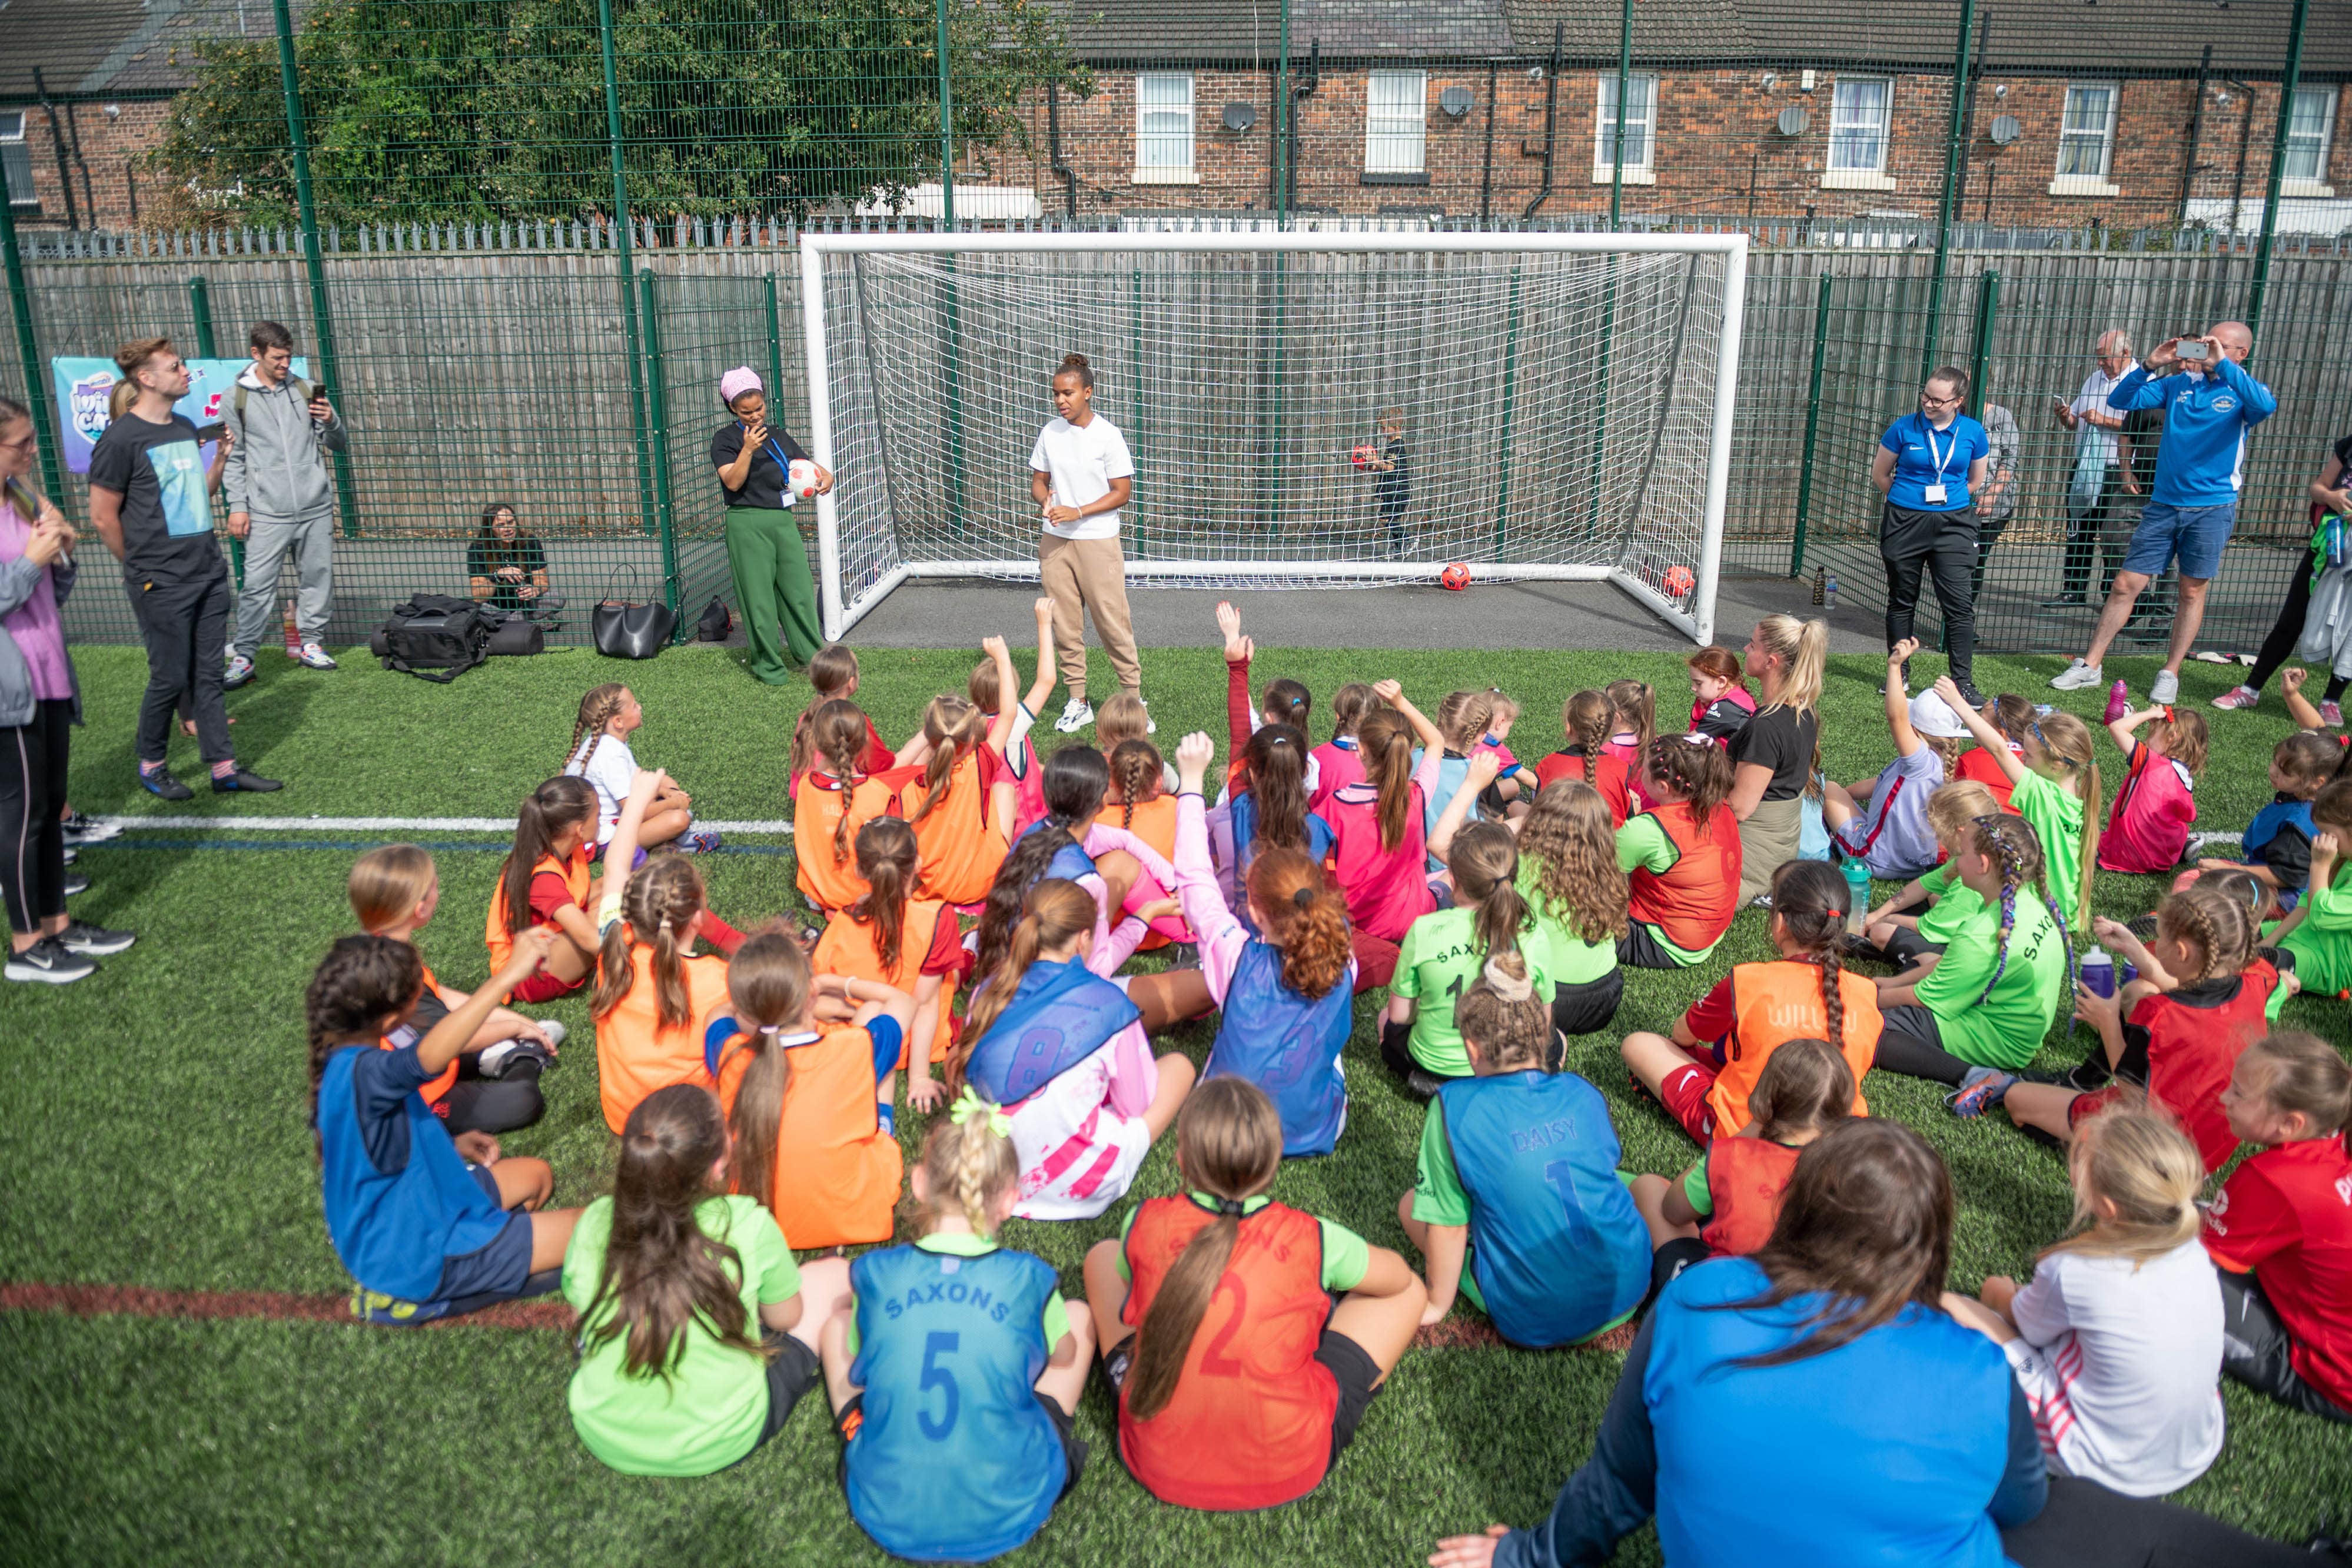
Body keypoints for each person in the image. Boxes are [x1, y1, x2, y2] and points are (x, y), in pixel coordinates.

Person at [1431, 1119, 2042, 1568]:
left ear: (1799, 1207)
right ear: (1930, 1243)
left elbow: (1620, 1480)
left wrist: (1529, 1556)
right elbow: (2021, 1505)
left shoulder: (1702, 1295)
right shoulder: (1979, 1369)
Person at [1082, 1078, 1426, 1511]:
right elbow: (1396, 1280)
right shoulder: (1312, 1236)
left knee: (1102, 1256)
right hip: (1292, 1462)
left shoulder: (1145, 1221)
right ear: (1272, 1160)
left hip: (1155, 1459)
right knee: (1410, 1292)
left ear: (1182, 1156)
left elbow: (1126, 1279)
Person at [821, 1098, 1095, 1562]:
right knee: (1079, 1319)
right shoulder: (1030, 1278)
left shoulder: (876, 1273)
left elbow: (861, 1362)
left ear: (921, 1183)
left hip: (888, 1504)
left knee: (836, 1325)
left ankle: (856, 1424)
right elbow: (1065, 1358)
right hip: (1013, 1503)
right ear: (1011, 1198)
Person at [561, 1083, 848, 1476]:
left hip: (604, 1432)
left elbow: (580, 1305)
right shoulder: (746, 1222)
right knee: (835, 1276)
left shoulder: (594, 1221)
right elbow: (784, 1318)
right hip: (726, 1434)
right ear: (718, 1166)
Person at [1944, 1104, 2225, 1497]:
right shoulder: (2194, 1252)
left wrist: (1997, 1294)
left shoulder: (2074, 1269)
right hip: (2193, 1446)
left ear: (2108, 1206)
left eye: (2082, 1162)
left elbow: (2022, 1325)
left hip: (2098, 1460)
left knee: (1958, 1307)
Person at [306, 929, 581, 1324]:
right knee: (599, 1230)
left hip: (416, 1209)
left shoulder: (342, 1057)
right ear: (388, 1017)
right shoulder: (367, 1073)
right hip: (419, 1249)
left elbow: (375, 1150)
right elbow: (428, 1058)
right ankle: (436, 1291)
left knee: (536, 1176)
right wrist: (509, 975)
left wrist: (449, 1147)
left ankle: (491, 1261)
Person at [1402, 952, 1650, 1348]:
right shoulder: (1582, 1092)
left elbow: (1448, 1228)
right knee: (1645, 1185)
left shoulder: (1454, 1108)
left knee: (1412, 1206)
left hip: (1533, 1315)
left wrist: (1436, 1302)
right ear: (1546, 1035)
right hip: (1629, 1287)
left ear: (1472, 1048)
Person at [86, 337, 280, 799]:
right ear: (146, 379)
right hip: (161, 581)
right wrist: (140, 566)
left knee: (208, 674)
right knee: (170, 678)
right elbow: (101, 516)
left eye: (183, 364)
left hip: (207, 573)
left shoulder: (184, 426)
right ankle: (152, 765)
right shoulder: (120, 440)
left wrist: (219, 462)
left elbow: (197, 495)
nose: (185, 371)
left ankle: (223, 769)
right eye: (175, 367)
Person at [1964, 885, 2273, 1168]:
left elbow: (2131, 1093)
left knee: (2018, 1101)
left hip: (2154, 1141)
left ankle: (2113, 1160)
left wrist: (2108, 1020)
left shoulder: (2159, 1015)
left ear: (2181, 952)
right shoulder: (2254, 985)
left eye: (2160, 937)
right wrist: (2134, 950)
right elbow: (2183, 991)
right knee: (2137, 991)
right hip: (2208, 1144)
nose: (2155, 943)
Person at [2051, 322, 2277, 706]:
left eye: (2217, 345)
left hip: (2212, 508)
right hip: (2163, 504)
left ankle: (2170, 672)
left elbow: (2266, 406)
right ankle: (2090, 665)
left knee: (2191, 590)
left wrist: (2222, 365)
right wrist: (2150, 364)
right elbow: (2123, 399)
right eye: (2204, 342)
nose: (2204, 348)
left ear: (2240, 353)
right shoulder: (2176, 385)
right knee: (2125, 584)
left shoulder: (2241, 390)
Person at [955, 878, 1195, 1221]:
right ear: (1084, 939)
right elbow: (1136, 1105)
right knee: (1179, 1066)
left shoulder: (988, 992)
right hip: (1079, 1183)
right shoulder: (1110, 1002)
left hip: (990, 1168)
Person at [1168, 732, 1354, 1157]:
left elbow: (1195, 876)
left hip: (1222, 1132)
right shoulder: (1343, 955)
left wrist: (1191, 782)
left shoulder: (1234, 954)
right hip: (1314, 1133)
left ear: (1253, 912)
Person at [2, 397, 130, 984]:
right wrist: (32, 561)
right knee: (22, 819)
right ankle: (25, 947)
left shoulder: (21, 499)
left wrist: (63, 558)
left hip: (48, 674)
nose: (33, 451)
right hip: (10, 689)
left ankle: (58, 925)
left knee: (50, 812)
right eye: (21, 444)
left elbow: (46, 595)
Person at [1620, 858, 1878, 1144]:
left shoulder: (1749, 981)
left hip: (1743, 1135)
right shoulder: (1867, 994)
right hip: (1839, 1145)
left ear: (1780, 923)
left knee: (1640, 1044)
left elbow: (1682, 1035)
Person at [716, 932, 914, 1250]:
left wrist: (763, 1001)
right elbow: (902, 1001)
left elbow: (718, 1015)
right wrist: (834, 983)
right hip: (853, 1213)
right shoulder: (854, 1049)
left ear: (746, 1010)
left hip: (757, 1219)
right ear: (809, 993)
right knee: (877, 1038)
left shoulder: (731, 1053)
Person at [348, 844, 559, 1135]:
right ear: (419, 908)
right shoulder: (388, 971)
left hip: (425, 1058)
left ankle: (503, 1053)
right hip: (415, 1096)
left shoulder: (382, 945)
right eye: (434, 885)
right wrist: (512, 1028)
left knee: (496, 1034)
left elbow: (439, 995)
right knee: (523, 1100)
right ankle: (524, 1057)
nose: (438, 890)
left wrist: (508, 1019)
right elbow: (447, 1039)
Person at [2201, 1031, 2352, 1425]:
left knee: (2162, 1276)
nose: (2224, 1099)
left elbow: (2192, 1260)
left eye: (2239, 1093)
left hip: (2330, 1376)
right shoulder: (2336, 1142)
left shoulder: (2273, 1179)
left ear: (2290, 1124)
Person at [1631, 1035, 1853, 1278]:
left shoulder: (1731, 1158)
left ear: (1766, 1100)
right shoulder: (1851, 1172)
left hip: (1722, 1294)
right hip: (1801, 1302)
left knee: (1649, 1187)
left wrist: (1743, 1136)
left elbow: (1673, 1209)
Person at [1876, 813, 2069, 1089]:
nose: (1955, 860)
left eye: (1963, 852)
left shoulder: (1979, 933)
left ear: (1982, 864)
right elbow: (1959, 964)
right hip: (2017, 1026)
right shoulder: (2023, 902)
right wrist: (1892, 982)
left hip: (1996, 1041)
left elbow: (1923, 1000)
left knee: (1874, 1027)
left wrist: (1872, 996)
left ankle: (1972, 1074)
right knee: (1925, 961)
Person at [1438, 766, 1626, 1040]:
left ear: (1539, 818)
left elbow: (1447, 850)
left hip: (1545, 997)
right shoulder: (1609, 867)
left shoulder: (1519, 863)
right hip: (1604, 998)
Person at [589, 791, 733, 1135]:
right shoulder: (718, 978)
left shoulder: (613, 955)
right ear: (699, 918)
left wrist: (638, 798)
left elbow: (616, 868)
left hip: (625, 1117)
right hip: (691, 1123)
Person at [1385, 819, 1553, 1095]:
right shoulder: (1534, 936)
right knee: (1558, 1040)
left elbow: (1400, 1015)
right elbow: (1542, 1024)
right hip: (1503, 1070)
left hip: (1432, 1070)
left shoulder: (1425, 929)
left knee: (1384, 1019)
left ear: (1453, 880)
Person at [223, 319, 347, 681]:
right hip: (267, 512)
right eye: (277, 358)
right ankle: (245, 656)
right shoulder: (236, 399)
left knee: (317, 577)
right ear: (255, 354)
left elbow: (337, 444)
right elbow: (235, 457)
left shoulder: (307, 390)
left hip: (315, 508)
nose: (285, 364)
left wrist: (333, 420)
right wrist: (238, 507)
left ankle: (311, 643)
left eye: (289, 356)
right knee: (258, 585)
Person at [815, 817, 961, 1113]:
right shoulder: (936, 918)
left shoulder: (842, 921)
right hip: (906, 1038)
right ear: (917, 863)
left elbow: (820, 991)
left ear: (859, 870)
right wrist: (919, 1075)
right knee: (954, 974)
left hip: (851, 1035)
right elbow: (925, 1003)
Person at [1029, 352, 1140, 734]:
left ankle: (1132, 698)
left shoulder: (1108, 436)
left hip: (1098, 543)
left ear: (1088, 392)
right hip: (1055, 544)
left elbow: (1122, 492)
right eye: (1056, 394)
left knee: (1112, 622)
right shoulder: (1049, 433)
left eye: (1069, 393)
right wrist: (1044, 498)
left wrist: (1078, 512)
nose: (1061, 400)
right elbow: (1038, 480)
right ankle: (1078, 701)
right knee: (1065, 625)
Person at [1871, 366, 1990, 705]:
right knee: (1902, 597)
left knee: (1958, 604)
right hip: (1905, 520)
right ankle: (1899, 671)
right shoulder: (1903, 428)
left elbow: (1974, 480)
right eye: (1926, 396)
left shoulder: (1973, 432)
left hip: (1954, 524)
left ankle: (1963, 682)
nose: (1929, 404)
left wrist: (1948, 501)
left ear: (1958, 401)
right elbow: (1881, 474)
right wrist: (1908, 501)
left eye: (1938, 400)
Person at [711, 367, 832, 683]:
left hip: (782, 521)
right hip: (747, 522)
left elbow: (809, 467)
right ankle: (769, 666)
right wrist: (748, 449)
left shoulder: (778, 434)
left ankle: (812, 657)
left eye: (759, 408)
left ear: (765, 401)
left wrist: (826, 477)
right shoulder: (724, 440)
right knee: (759, 599)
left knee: (800, 590)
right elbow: (734, 483)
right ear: (733, 410)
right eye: (746, 412)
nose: (755, 416)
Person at [2217, 434, 2352, 716]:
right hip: (2329, 546)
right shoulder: (2349, 446)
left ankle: (2331, 702)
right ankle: (2250, 689)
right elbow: (2318, 489)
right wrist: (2332, 498)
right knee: (2292, 618)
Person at [1821, 637, 1969, 880]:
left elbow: (1896, 717)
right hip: (1919, 864)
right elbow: (1878, 784)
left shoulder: (1920, 760)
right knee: (1836, 792)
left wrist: (1894, 667)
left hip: (1876, 859)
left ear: (1916, 729)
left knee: (1827, 788)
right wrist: (1844, 797)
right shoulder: (1945, 764)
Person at [1614, 734, 1741, 970]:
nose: (1640, 773)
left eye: (1644, 769)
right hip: (1707, 934)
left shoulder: (1650, 830)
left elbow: (1594, 868)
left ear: (1662, 787)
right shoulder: (1721, 808)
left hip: (1665, 943)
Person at [1725, 614, 1826, 905]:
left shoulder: (1767, 727)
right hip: (1781, 851)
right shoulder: (1804, 711)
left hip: (1752, 859)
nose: (1745, 649)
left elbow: (1740, 808)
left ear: (1771, 662)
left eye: (1753, 645)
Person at [484, 775, 602, 1004]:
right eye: (598, 815)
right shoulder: (542, 875)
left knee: (618, 891)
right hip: (526, 974)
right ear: (579, 829)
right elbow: (591, 940)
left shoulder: (567, 845)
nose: (601, 820)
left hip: (552, 940)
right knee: (611, 919)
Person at [564, 683, 712, 855]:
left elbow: (634, 783)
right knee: (678, 819)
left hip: (613, 821)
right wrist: (673, 803)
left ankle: (666, 836)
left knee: (665, 781)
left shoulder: (607, 742)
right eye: (634, 705)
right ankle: (675, 840)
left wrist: (666, 792)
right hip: (601, 838)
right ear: (618, 722)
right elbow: (634, 811)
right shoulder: (610, 754)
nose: (640, 707)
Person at [2045, 330, 2136, 611]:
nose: (2100, 364)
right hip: (2085, 465)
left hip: (2115, 468)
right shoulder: (2094, 378)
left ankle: (2113, 593)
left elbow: (2144, 426)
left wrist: (2104, 420)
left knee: (2114, 535)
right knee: (2078, 526)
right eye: (2098, 357)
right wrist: (2067, 417)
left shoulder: (2141, 381)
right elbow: (2076, 421)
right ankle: (2074, 588)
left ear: (2124, 353)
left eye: (2105, 357)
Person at [2098, 703, 2206, 875]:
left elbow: (2117, 728)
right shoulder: (2185, 776)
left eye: (2151, 736)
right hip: (2160, 860)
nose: (2146, 742)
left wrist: (2149, 714)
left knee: (2084, 832)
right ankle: (2180, 848)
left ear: (2171, 738)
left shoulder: (2150, 761)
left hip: (2126, 856)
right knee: (2170, 824)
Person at [2272, 779, 2352, 997]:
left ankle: (2282, 987)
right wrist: (2272, 937)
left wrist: (2319, 865)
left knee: (2261, 970)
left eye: (2328, 834)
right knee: (2235, 935)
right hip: (2301, 936)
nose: (2320, 840)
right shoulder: (2345, 859)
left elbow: (2321, 916)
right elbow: (2308, 902)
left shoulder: (2332, 862)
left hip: (2324, 963)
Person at [1969, 398, 2021, 601]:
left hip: (1994, 503)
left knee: (1975, 559)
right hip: (1959, 500)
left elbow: (2010, 458)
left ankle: (1963, 619)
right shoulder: (1954, 414)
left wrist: (1992, 493)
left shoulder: (2001, 417)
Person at [464, 501, 552, 615]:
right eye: (500, 526)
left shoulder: (529, 541)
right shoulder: (478, 548)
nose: (508, 529)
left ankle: (506, 623)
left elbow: (543, 582)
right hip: (495, 605)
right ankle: (519, 622)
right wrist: (498, 575)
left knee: (557, 597)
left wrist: (535, 590)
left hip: (525, 602)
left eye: (511, 522)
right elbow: (479, 597)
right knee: (475, 607)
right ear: (490, 529)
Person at [1367, 406, 1413, 558]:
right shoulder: (1393, 445)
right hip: (1392, 490)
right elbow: (1387, 467)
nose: (1382, 431)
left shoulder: (1396, 446)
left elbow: (1391, 467)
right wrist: (1374, 466)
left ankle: (1406, 540)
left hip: (1397, 491)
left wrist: (1376, 461)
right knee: (1388, 518)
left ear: (1396, 427)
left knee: (1386, 518)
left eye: (1384, 427)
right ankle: (1399, 547)